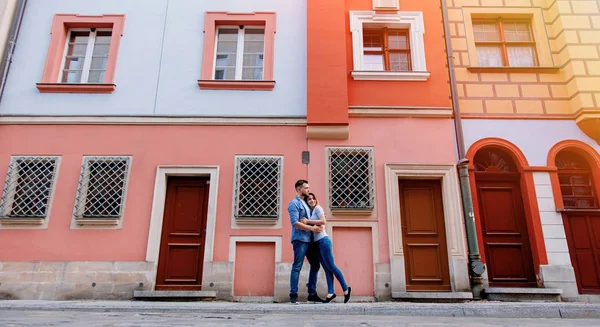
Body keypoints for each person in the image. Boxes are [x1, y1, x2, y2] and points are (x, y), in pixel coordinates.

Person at [301, 192, 352, 303]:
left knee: (331, 266)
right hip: (317, 244)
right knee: (326, 268)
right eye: (309, 199)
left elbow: (323, 221)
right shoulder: (311, 212)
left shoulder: (318, 208)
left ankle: (345, 288)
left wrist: (308, 222)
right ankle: (331, 293)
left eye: (313, 198)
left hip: (323, 241)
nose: (311, 200)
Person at [288, 179, 325, 304]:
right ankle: (293, 295)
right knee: (297, 266)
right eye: (306, 188)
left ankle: (312, 294)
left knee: (315, 265)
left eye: (309, 188)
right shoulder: (294, 204)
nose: (309, 190)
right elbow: (295, 223)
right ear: (299, 189)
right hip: (300, 240)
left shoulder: (306, 204)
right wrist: (312, 228)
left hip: (310, 240)